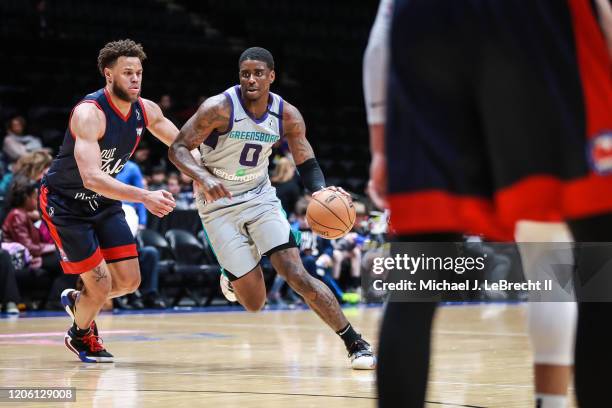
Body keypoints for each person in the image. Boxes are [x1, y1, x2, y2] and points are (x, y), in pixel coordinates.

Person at [370, 1, 612, 407]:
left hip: (424, 20)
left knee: (417, 272)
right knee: (600, 261)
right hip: (541, 20)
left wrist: (380, 144)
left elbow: (382, 33)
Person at [169, 47, 375, 370]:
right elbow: (177, 148)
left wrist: (321, 192)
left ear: (271, 77)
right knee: (255, 303)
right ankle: (231, 274)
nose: (251, 79)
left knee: (297, 274)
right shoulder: (218, 108)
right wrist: (202, 176)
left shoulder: (287, 115)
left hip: (259, 196)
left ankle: (355, 342)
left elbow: (305, 160)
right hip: (218, 203)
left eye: (258, 73)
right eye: (245, 74)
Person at [40, 39, 178, 363]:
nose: (135, 79)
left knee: (129, 282)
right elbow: (91, 178)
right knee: (101, 287)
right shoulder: (90, 113)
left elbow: (182, 143)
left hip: (102, 203)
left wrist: (205, 171)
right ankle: (81, 335)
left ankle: (81, 299)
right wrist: (145, 196)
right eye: (127, 72)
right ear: (108, 75)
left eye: (139, 72)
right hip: (66, 204)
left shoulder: (146, 110)